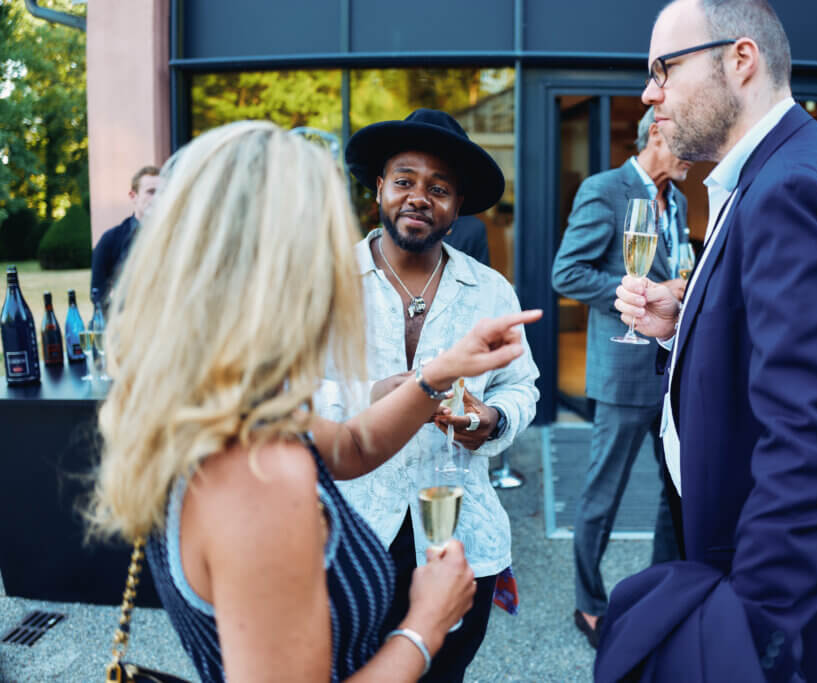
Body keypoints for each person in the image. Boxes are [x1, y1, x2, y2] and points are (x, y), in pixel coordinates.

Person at [86, 120, 542, 682]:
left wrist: (440, 380)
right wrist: (425, 625)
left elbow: (351, 445)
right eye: (322, 233)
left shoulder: (218, 408)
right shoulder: (260, 478)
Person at [603, 1, 817, 681]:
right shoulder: (783, 168)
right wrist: (683, 324)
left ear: (741, 59)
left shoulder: (794, 186)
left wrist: (749, 634)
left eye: (664, 70)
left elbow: (815, 438)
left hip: (770, 601)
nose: (648, 94)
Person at [315, 108, 540, 683]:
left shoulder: (490, 290)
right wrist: (373, 395)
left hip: (461, 540)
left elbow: (523, 387)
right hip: (349, 539)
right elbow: (286, 396)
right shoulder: (323, 282)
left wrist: (493, 419)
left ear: (456, 207)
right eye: (404, 181)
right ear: (379, 191)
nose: (419, 197)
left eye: (438, 189)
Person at [550, 106, 689, 648]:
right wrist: (639, 293)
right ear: (657, 132)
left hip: (673, 369)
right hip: (624, 371)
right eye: (687, 144)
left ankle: (663, 591)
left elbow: (673, 268)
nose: (696, 158)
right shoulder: (605, 190)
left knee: (678, 489)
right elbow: (568, 272)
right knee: (603, 495)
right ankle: (588, 603)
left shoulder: (677, 200)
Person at [90, 165, 161, 307]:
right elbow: (97, 294)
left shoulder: (177, 237)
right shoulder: (110, 240)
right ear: (133, 196)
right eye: (151, 192)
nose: (157, 198)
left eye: (162, 192)